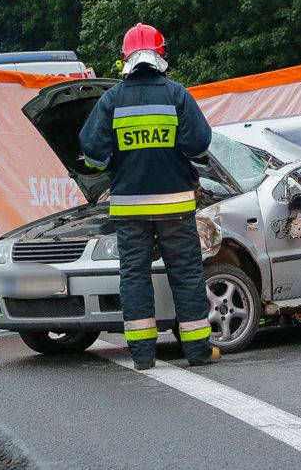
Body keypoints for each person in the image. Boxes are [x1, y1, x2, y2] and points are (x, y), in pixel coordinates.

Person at [79, 23, 219, 369]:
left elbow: (92, 152)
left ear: (124, 58)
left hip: (129, 207)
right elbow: (199, 143)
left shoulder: (111, 100)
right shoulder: (176, 95)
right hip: (175, 204)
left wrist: (114, 159)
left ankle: (143, 355)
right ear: (161, 55)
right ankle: (198, 351)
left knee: (135, 275)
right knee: (185, 273)